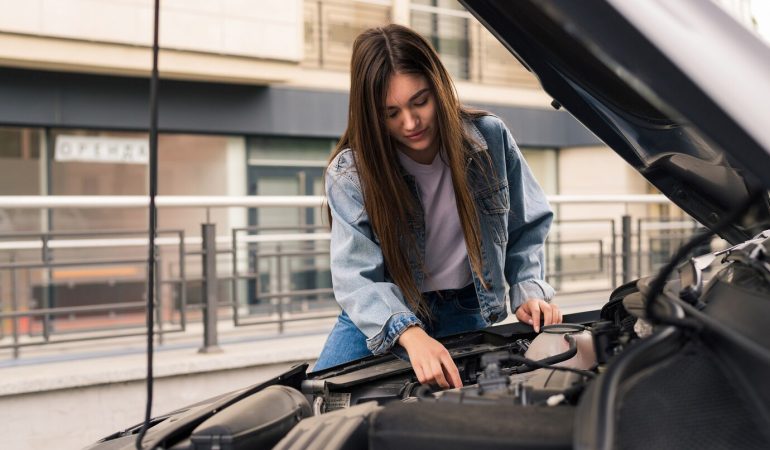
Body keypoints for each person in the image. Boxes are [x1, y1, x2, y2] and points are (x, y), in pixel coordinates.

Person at [313, 24, 562, 388]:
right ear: (371, 114)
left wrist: (528, 288)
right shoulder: (351, 173)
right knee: (320, 403)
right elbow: (356, 277)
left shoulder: (490, 139)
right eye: (391, 112)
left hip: (465, 308)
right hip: (383, 314)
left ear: (439, 87)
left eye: (420, 101)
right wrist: (410, 334)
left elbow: (526, 225)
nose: (410, 123)